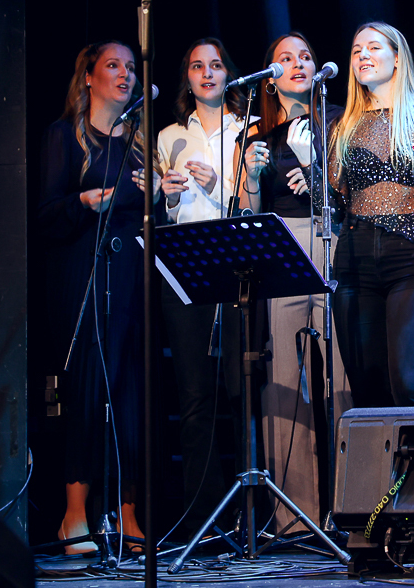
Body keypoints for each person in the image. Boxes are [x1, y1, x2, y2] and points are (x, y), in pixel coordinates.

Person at [290, 22, 414, 408]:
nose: (362, 56)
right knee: (367, 392)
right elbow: (332, 207)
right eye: (356, 51)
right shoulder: (344, 125)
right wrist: (308, 164)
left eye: (373, 47)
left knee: (409, 385)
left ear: (397, 58)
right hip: (355, 264)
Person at [38, 40, 150, 554]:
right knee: (86, 389)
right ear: (89, 76)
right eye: (113, 66)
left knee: (130, 393)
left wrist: (164, 193)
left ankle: (127, 513)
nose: (125, 74)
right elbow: (46, 214)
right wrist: (83, 201)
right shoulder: (65, 136)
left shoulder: (140, 143)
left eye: (130, 67)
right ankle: (74, 515)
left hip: (131, 279)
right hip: (83, 276)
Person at [236, 32, 351, 530]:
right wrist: (251, 177)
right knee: (286, 377)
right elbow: (247, 211)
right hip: (281, 243)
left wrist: (316, 174)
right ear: (271, 76)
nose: (299, 64)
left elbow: (353, 189)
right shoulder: (257, 135)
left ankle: (353, 509)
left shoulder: (340, 120)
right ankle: (294, 517)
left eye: (305, 56)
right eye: (286, 58)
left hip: (331, 238)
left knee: (341, 376)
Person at [136, 37, 249, 542]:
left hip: (238, 263)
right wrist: (166, 195)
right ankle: (205, 519)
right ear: (187, 76)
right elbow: (162, 213)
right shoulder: (167, 137)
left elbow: (255, 202)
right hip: (185, 265)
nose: (207, 73)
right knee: (195, 396)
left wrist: (219, 184)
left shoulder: (247, 128)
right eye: (197, 66)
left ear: (228, 74)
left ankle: (250, 514)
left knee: (241, 391)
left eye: (216, 65)